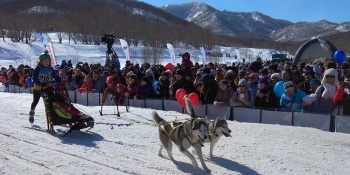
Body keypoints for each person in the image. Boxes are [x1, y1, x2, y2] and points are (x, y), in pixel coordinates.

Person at [29, 53, 61, 123]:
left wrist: (57, 82)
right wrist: (40, 84)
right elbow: (34, 78)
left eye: (48, 61)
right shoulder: (38, 69)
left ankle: (55, 116)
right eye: (45, 61)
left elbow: (56, 77)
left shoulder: (50, 69)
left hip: (47, 88)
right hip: (38, 89)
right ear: (41, 61)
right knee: (35, 101)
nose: (47, 62)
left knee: (52, 102)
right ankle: (32, 112)